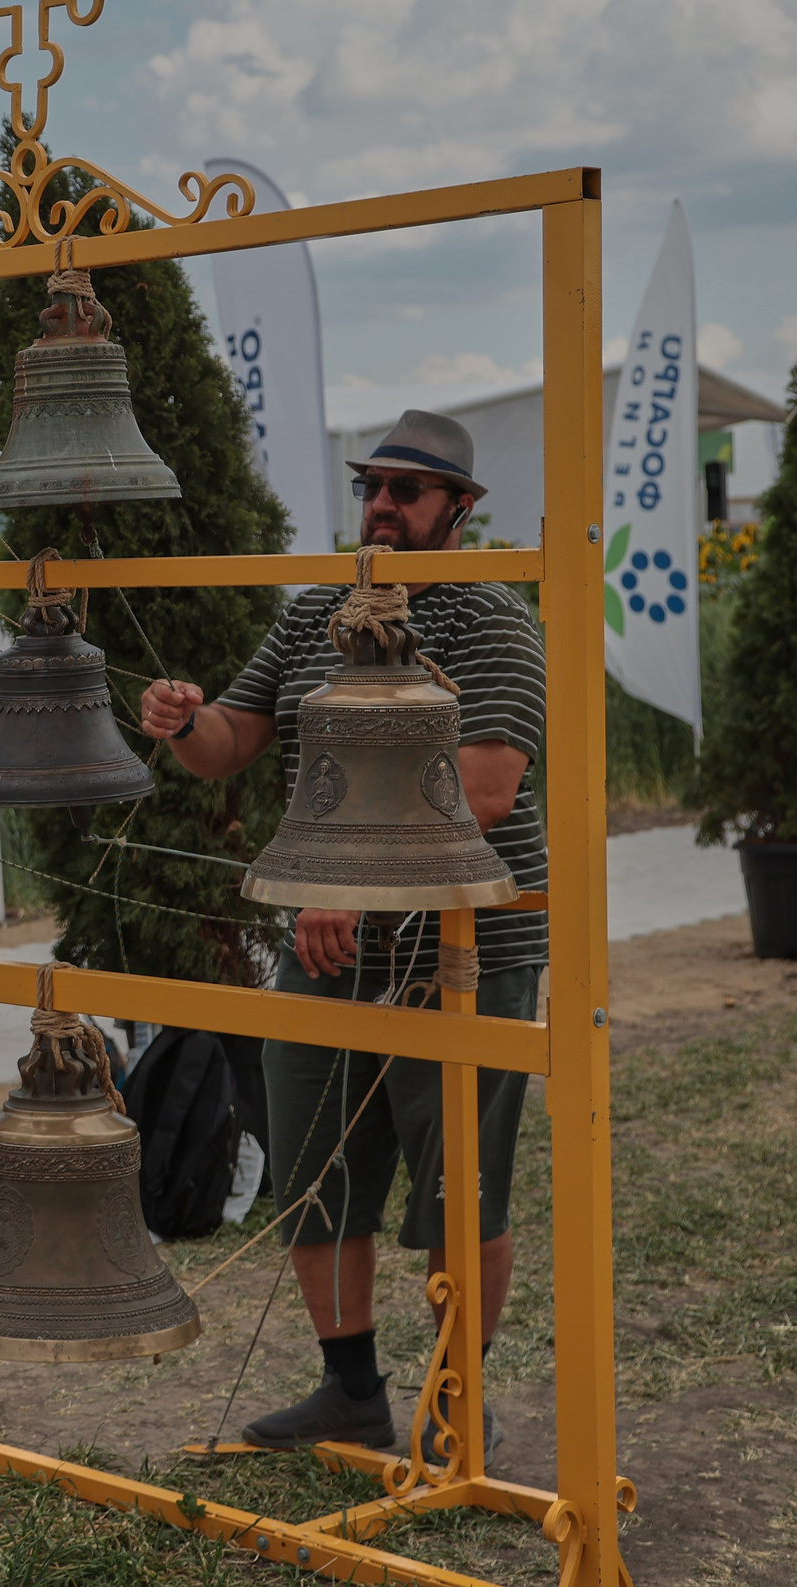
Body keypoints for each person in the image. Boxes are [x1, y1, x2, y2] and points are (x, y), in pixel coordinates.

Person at [137, 410, 546, 1457]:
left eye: (406, 492)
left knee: (460, 1188)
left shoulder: (494, 620)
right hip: (326, 945)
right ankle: (350, 1391)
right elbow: (230, 745)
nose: (380, 506)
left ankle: (456, 1397)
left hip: (461, 955)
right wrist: (185, 720)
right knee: (314, 1174)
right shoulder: (317, 609)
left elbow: (488, 790)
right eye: (371, 485)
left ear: (458, 510)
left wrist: (353, 888)